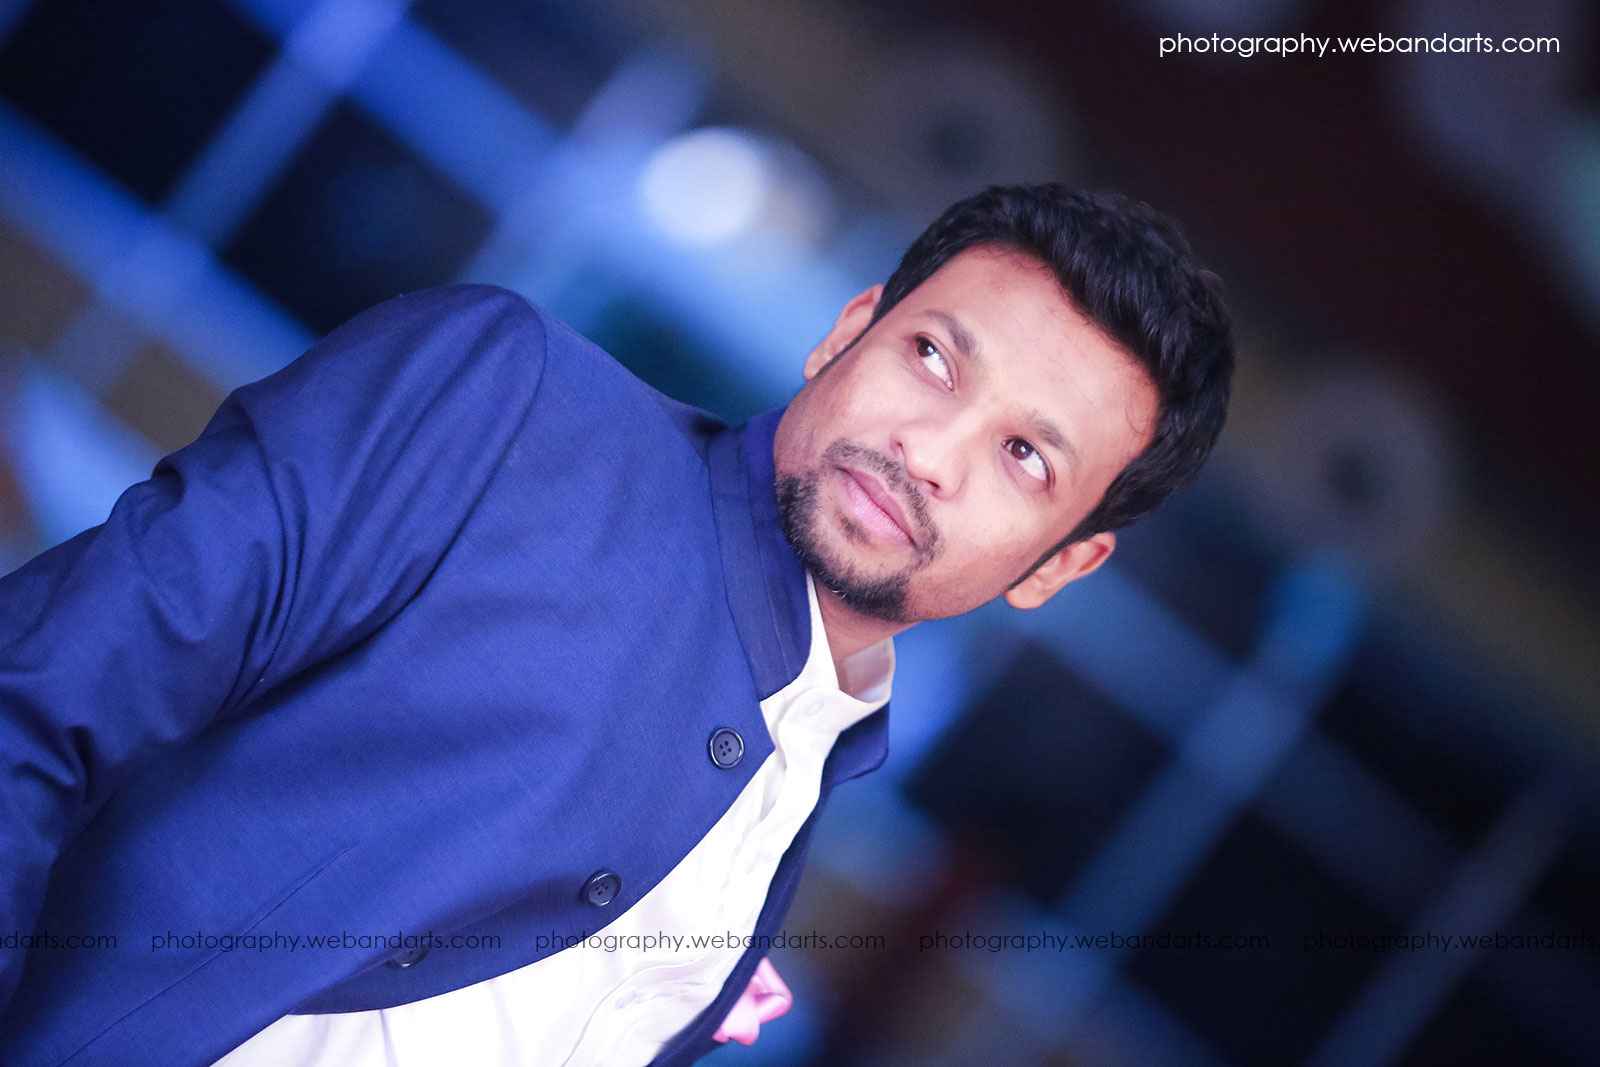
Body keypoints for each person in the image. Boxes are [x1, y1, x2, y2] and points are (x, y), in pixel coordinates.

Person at [0, 184, 1233, 1066]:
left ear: (1059, 563)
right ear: (847, 330)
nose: (931, 449)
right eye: (932, 358)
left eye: (1023, 456)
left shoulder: (796, 791)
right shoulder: (507, 404)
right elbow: (40, 692)